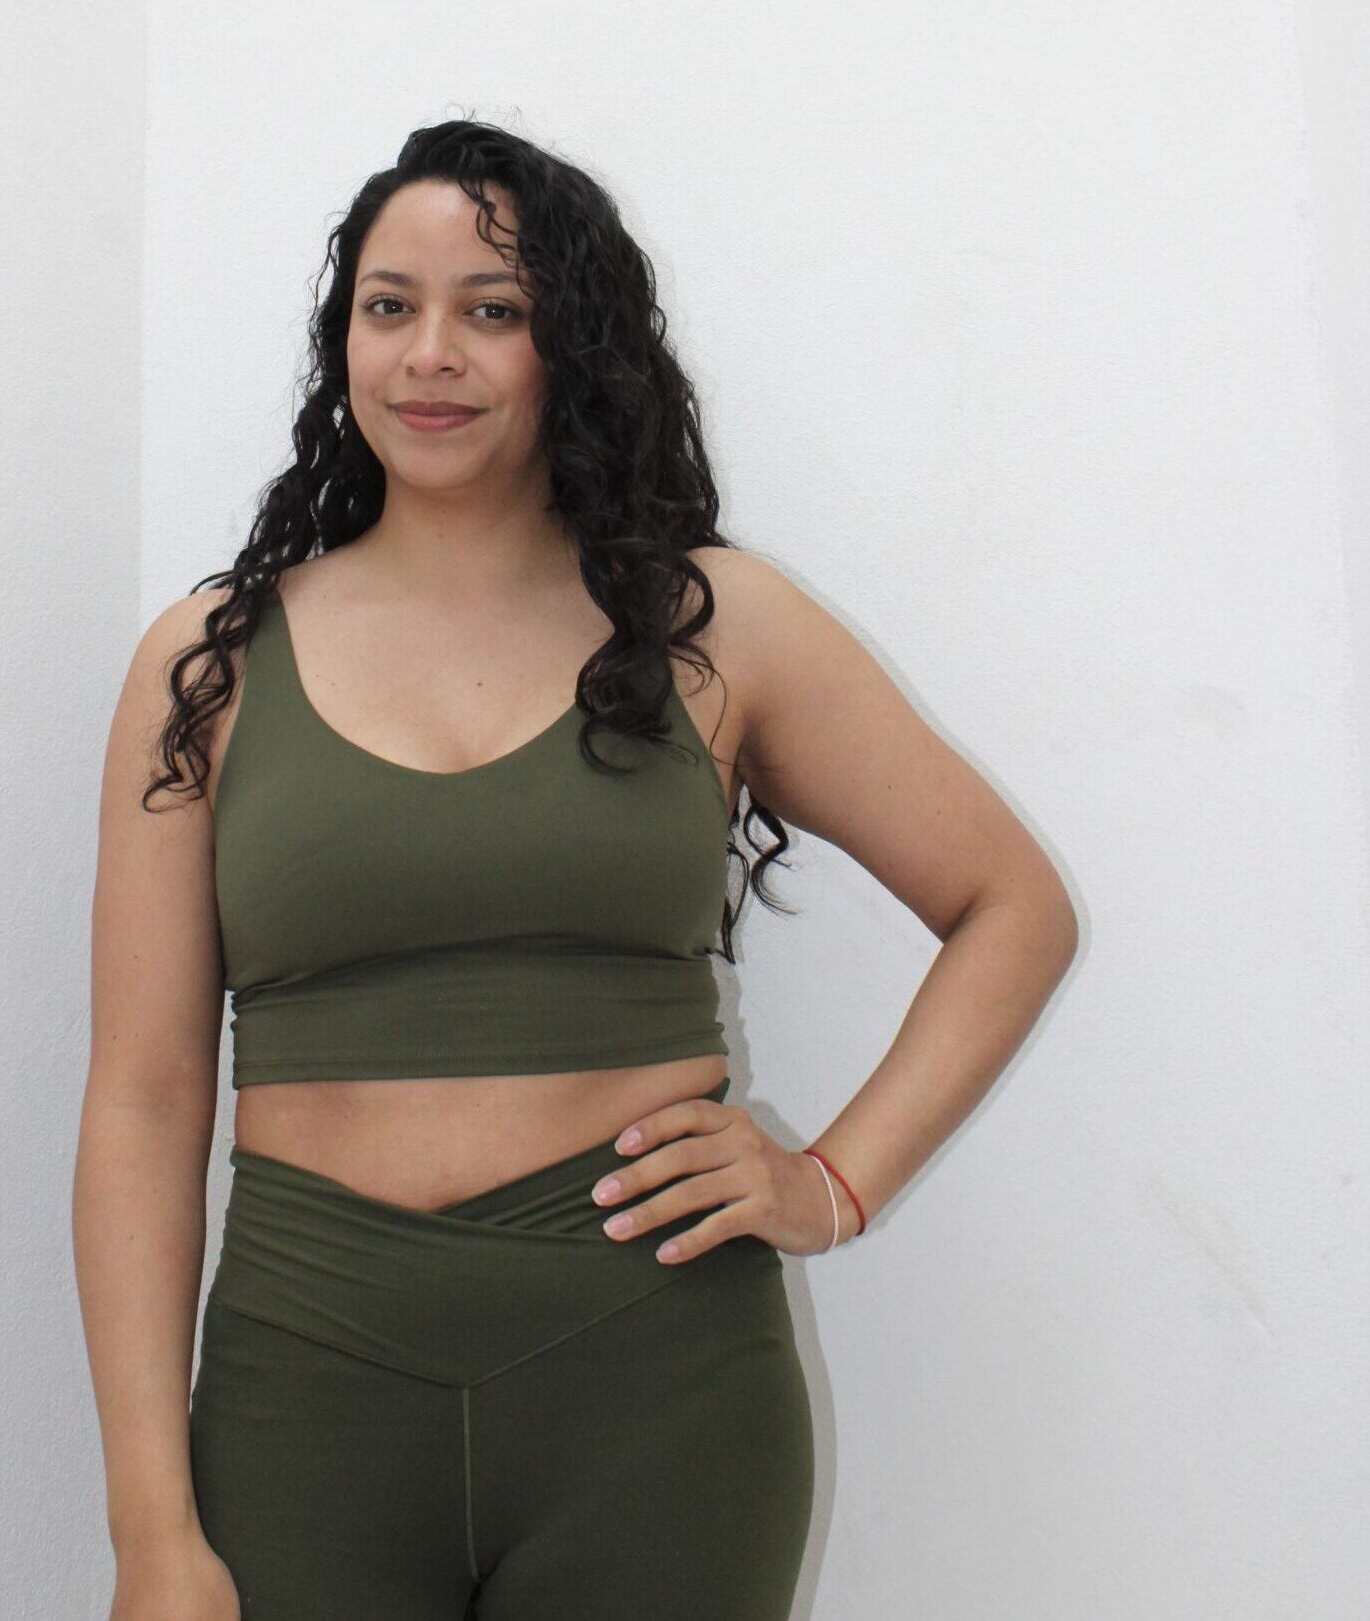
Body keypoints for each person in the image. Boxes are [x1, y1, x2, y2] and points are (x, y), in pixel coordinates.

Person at [73, 119, 1079, 1621]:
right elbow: (145, 1099)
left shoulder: (714, 625)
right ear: (344, 339)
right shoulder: (206, 664)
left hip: (659, 1384)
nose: (431, 353)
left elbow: (1013, 906)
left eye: (492, 309)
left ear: (573, 349)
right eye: (391, 305)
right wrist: (150, 1527)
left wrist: (829, 1184)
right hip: (308, 1386)